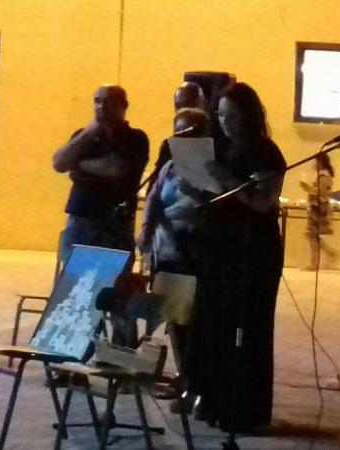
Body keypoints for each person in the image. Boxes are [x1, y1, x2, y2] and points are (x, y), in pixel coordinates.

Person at [189, 82, 286, 433]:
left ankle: (246, 410)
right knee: (214, 325)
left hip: (251, 252)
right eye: (220, 115)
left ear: (250, 116)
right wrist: (194, 189)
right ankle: (213, 399)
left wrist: (226, 179)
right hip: (215, 249)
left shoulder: (267, 153)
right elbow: (213, 198)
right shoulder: (219, 148)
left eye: (232, 116)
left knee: (247, 328)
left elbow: (261, 203)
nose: (225, 122)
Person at [136, 107, 211, 411]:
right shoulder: (169, 167)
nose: (183, 138)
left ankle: (197, 383)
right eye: (179, 131)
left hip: (194, 253)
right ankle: (183, 377)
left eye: (191, 131)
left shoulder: (211, 166)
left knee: (194, 322)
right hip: (166, 251)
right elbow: (153, 199)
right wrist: (145, 232)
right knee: (174, 319)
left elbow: (213, 207)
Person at [52, 85, 149, 263]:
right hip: (80, 219)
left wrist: (78, 165)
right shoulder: (82, 136)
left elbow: (117, 169)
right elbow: (59, 163)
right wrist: (88, 133)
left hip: (114, 224)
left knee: (114, 276)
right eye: (97, 101)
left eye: (109, 101)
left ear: (124, 105)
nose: (101, 107)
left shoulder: (136, 138)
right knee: (75, 275)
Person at [146, 82, 207, 189]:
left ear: (204, 104)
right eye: (179, 106)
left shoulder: (216, 145)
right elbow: (154, 185)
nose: (184, 110)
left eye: (190, 104)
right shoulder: (169, 144)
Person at [299, 152, 335, 270]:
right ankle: (327, 253)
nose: (314, 164)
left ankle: (314, 262)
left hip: (318, 209)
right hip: (317, 208)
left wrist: (308, 189)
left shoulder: (324, 176)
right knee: (312, 235)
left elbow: (322, 193)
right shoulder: (323, 175)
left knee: (312, 235)